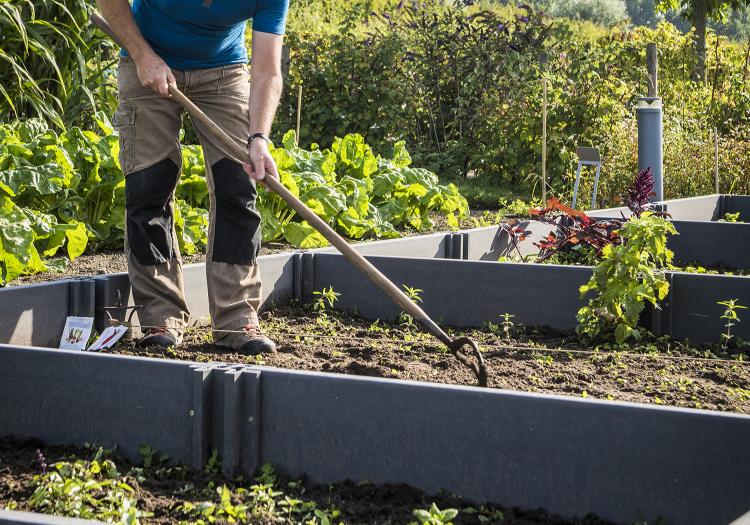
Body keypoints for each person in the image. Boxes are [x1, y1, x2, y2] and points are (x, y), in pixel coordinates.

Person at [96, 0, 289, 354]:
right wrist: (141, 55)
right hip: (148, 59)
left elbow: (267, 71)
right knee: (148, 186)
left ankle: (236, 319)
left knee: (237, 185)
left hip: (224, 71)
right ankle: (160, 316)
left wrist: (259, 138)